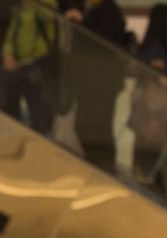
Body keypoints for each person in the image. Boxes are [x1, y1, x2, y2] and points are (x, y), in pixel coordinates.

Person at [63, 0, 129, 175]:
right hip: (93, 80)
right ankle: (101, 166)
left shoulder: (109, 11)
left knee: (95, 127)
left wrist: (81, 23)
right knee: (91, 127)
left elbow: (101, 40)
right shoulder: (96, 12)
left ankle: (104, 168)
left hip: (100, 81)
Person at [130, 3, 167, 192]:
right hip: (155, 114)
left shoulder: (149, 46)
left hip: (146, 113)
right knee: (153, 164)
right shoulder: (158, 49)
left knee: (145, 164)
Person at [0, 0, 58, 133]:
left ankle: (41, 134)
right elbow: (10, 35)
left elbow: (49, 15)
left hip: (38, 63)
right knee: (0, 82)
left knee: (36, 104)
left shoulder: (44, 6)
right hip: (18, 64)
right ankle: (12, 129)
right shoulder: (20, 8)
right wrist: (8, 54)